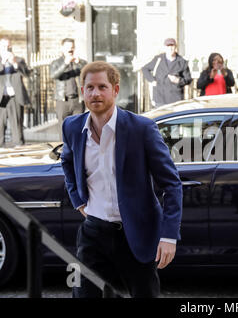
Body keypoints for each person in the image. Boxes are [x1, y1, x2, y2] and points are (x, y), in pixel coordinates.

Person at [61, 61, 183, 298]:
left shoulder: (141, 129)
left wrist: (168, 236)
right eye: (90, 87)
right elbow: (66, 161)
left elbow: (172, 184)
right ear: (82, 90)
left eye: (102, 87)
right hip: (93, 232)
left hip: (135, 233)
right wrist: (78, 199)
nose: (95, 93)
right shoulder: (72, 127)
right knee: (83, 294)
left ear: (115, 90)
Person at [50, 38, 87, 140]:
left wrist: (79, 62)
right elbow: (53, 75)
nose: (70, 50)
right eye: (67, 48)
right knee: (63, 128)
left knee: (79, 128)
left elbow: (89, 72)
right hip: (63, 100)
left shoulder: (79, 62)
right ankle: (65, 152)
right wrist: (65, 63)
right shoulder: (56, 63)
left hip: (77, 100)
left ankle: (77, 152)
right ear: (62, 48)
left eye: (72, 47)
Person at [142, 38, 192, 106]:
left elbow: (188, 79)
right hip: (160, 99)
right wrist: (152, 80)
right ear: (165, 48)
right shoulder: (158, 59)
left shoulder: (182, 62)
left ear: (175, 47)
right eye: (168, 46)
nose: (170, 48)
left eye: (172, 46)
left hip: (175, 100)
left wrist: (178, 80)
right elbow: (145, 69)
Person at [0, 38, 30, 147]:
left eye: (8, 47)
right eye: (3, 47)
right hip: (1, 98)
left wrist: (15, 64)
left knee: (17, 125)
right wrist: (3, 62)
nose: (6, 49)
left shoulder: (19, 60)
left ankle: (19, 147)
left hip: (15, 97)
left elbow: (27, 73)